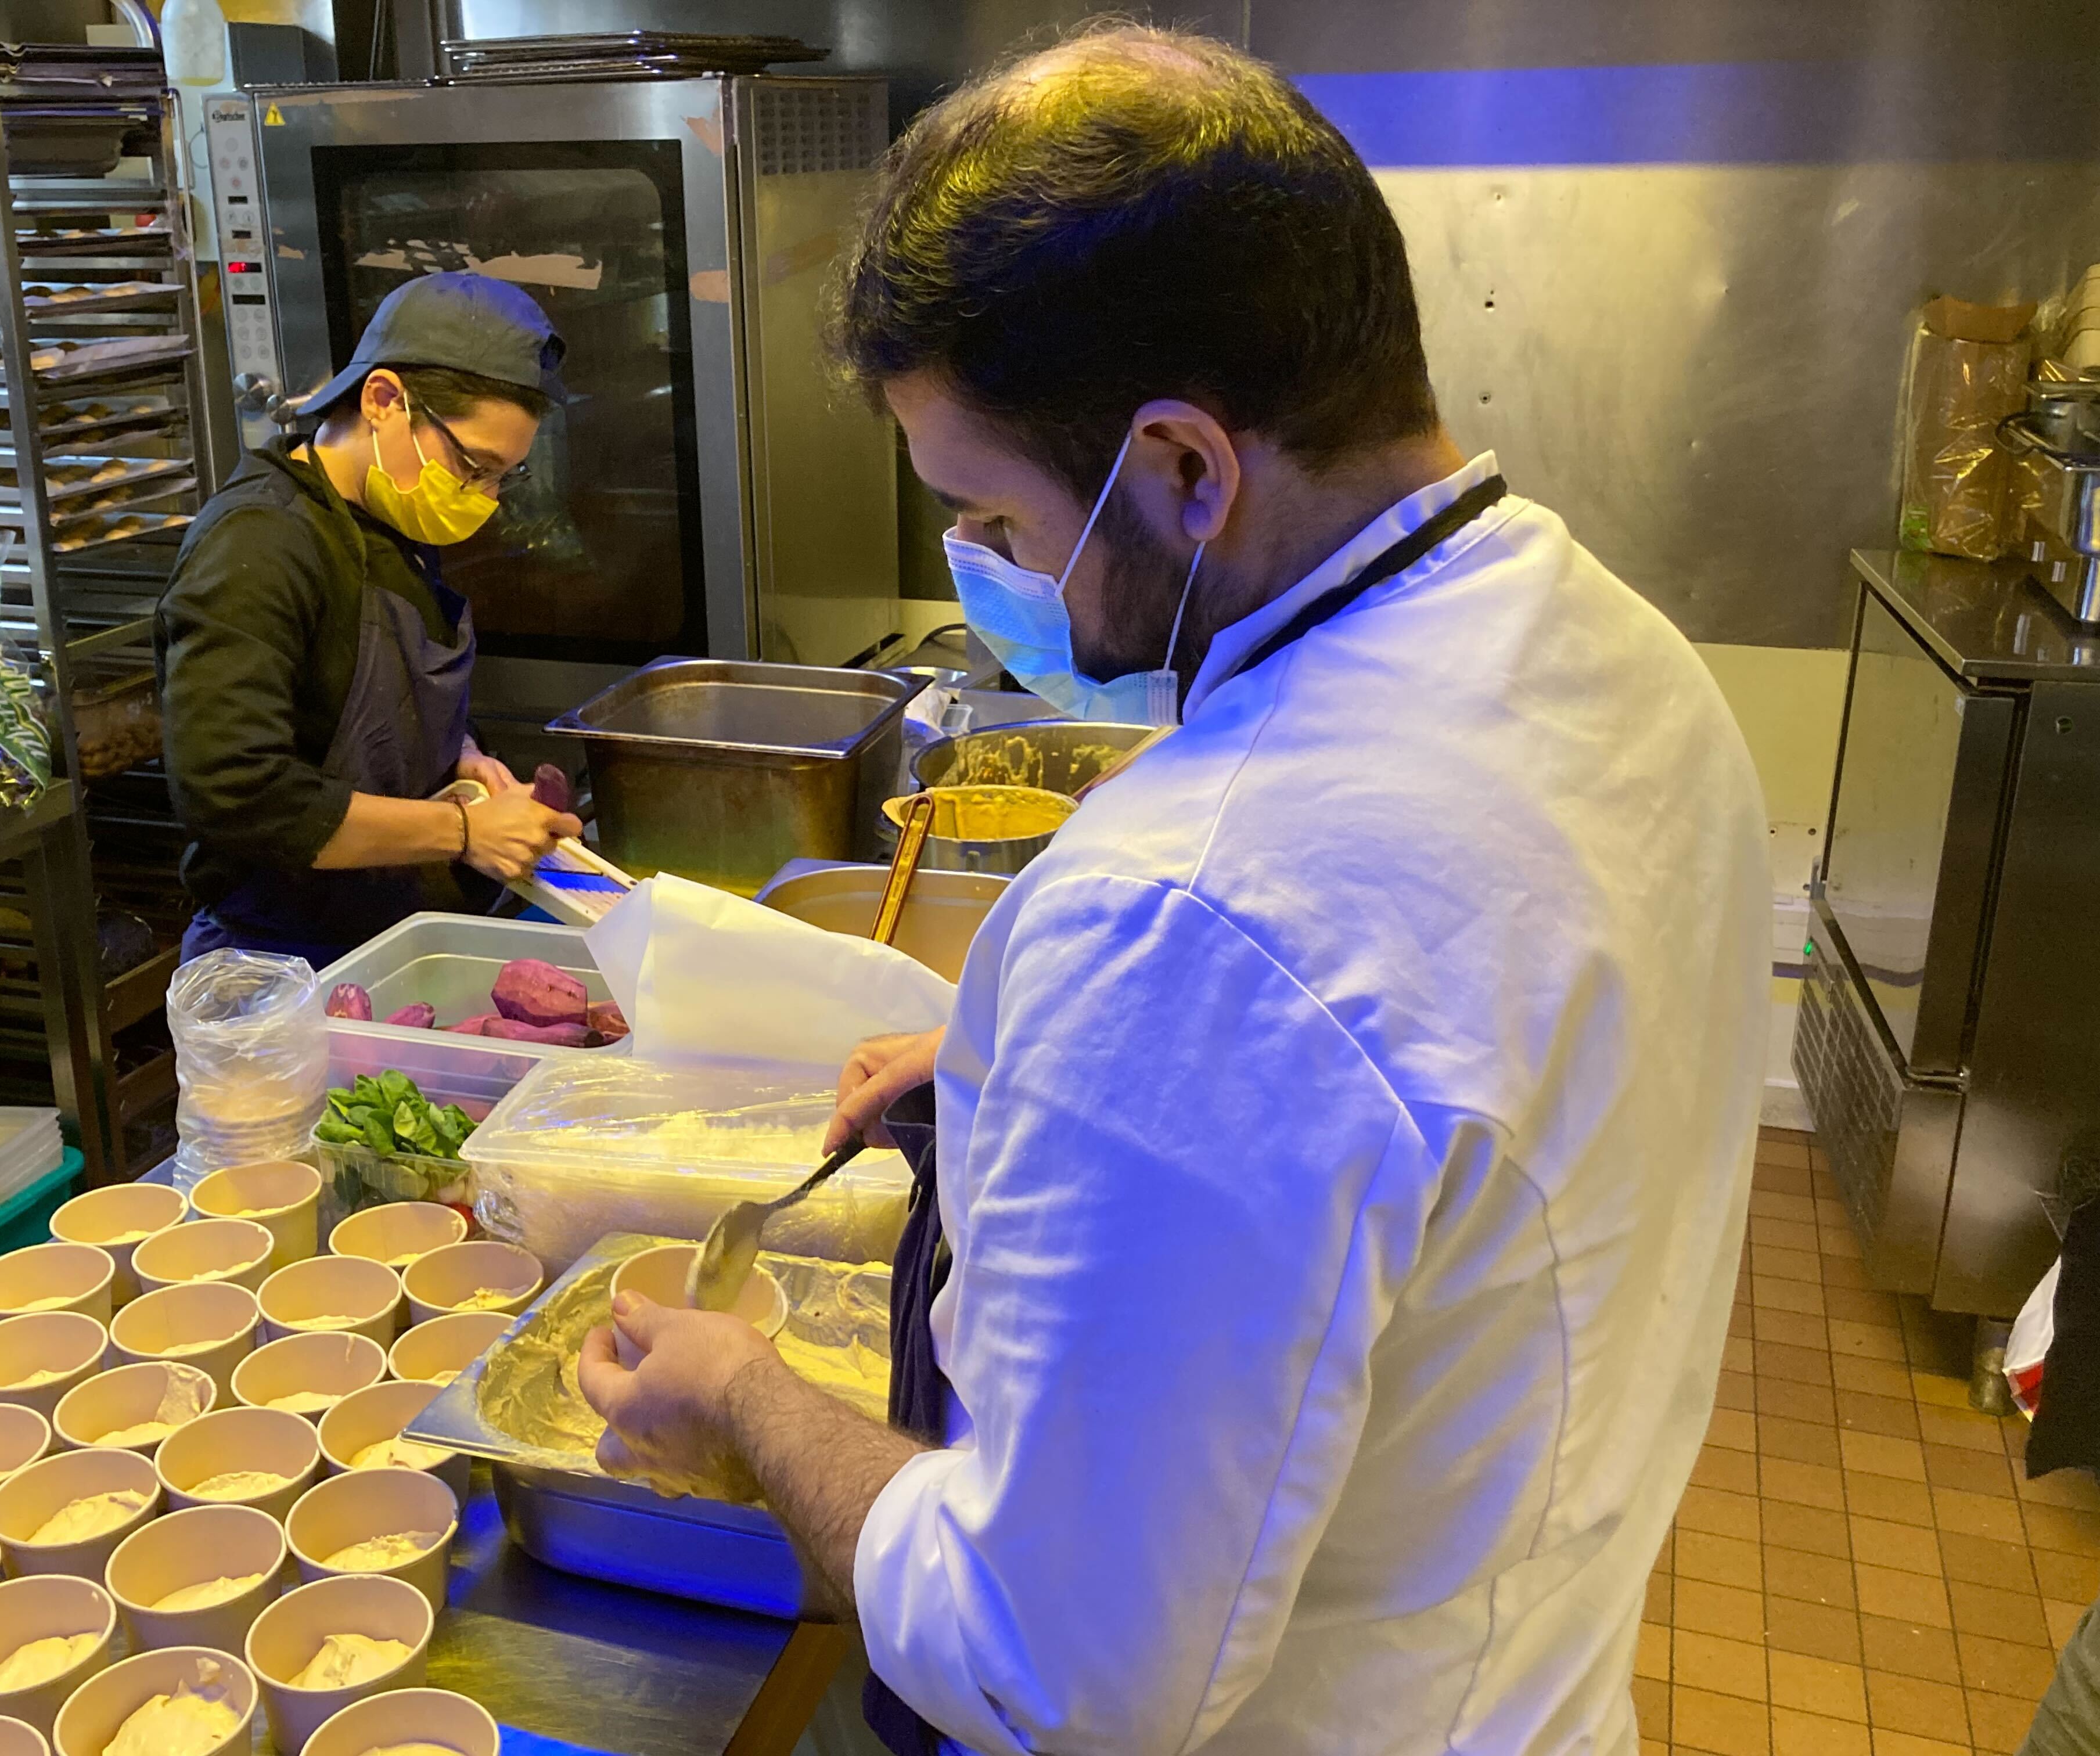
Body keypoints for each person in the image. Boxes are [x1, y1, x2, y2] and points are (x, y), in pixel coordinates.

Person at [576, 25, 1771, 1756]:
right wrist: (1017, 1080)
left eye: (985, 515)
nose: (979, 573)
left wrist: (748, 1404)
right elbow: (1418, 1112)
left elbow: (1044, 1671)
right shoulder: (1620, 656)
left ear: (1189, 468)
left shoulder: (1194, 920)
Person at [157, 271, 582, 965]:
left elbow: (370, 695)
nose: (484, 496)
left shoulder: (391, 513)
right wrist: (462, 832)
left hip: (394, 935)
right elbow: (236, 795)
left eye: (503, 475)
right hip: (284, 961)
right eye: (473, 465)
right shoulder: (258, 545)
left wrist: (462, 758)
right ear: (384, 400)